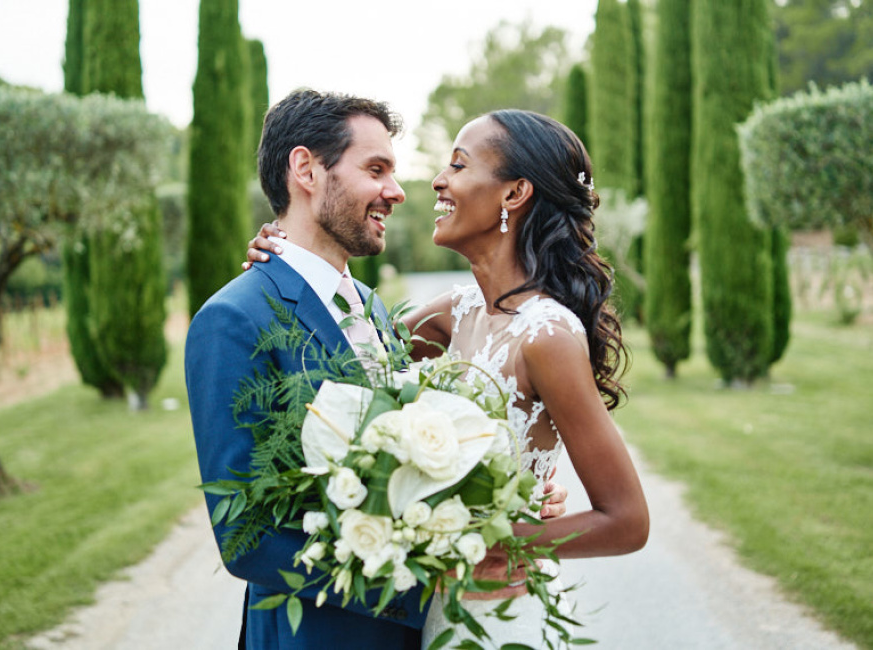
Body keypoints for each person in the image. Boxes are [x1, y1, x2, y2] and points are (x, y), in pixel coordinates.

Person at [247, 109, 650, 646]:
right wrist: (283, 257)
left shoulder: (546, 335)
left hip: (501, 617)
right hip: (435, 612)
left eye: (458, 166)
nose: (437, 181)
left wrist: (496, 536)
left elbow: (626, 520)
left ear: (513, 195)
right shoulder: (453, 313)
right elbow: (333, 350)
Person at [187, 89, 569, 649]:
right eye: (376, 169)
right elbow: (246, 538)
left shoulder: (375, 310)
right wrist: (430, 584)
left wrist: (504, 496)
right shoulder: (233, 319)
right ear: (305, 169)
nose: (396, 191)